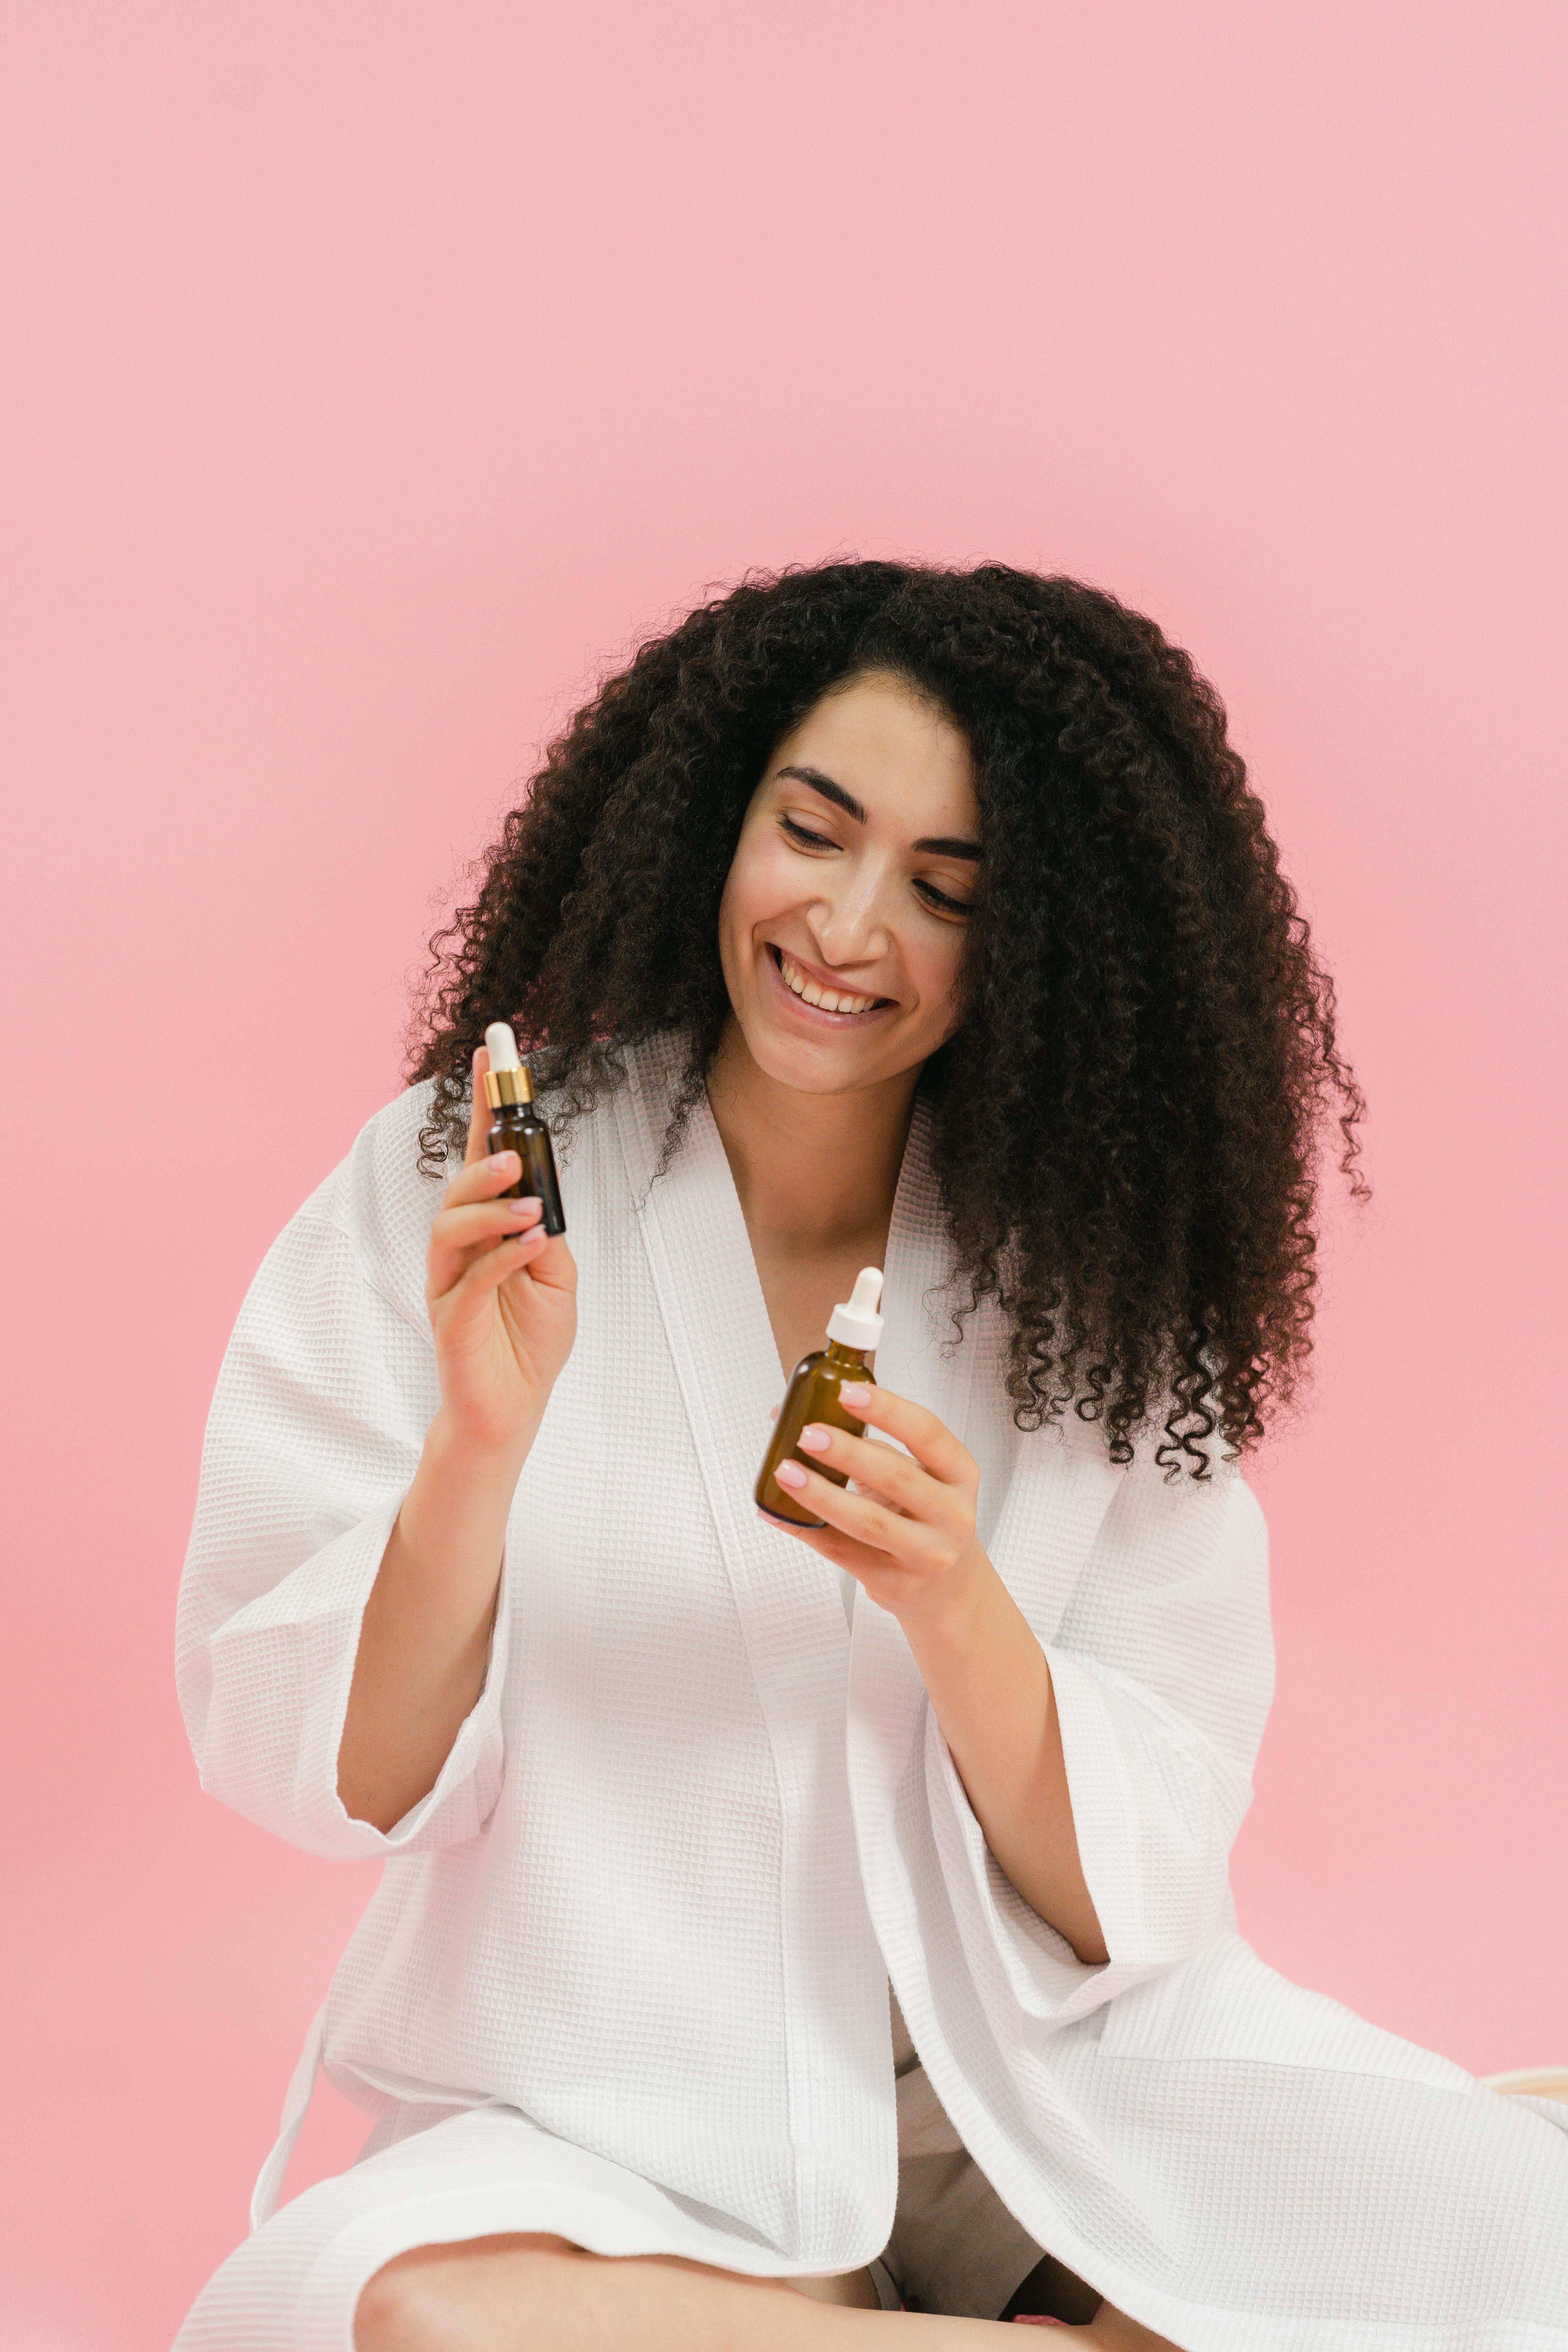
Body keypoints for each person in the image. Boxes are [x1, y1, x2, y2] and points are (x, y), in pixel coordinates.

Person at [172, 561, 1568, 2351]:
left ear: (1041, 954)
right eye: (811, 833)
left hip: (1036, 2098)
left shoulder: (1087, 1293)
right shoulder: (467, 1186)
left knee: (1526, 2237)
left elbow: (1125, 1892)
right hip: (610, 2113)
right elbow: (332, 1772)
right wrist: (481, 1447)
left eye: (943, 893)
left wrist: (951, 1597)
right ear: (713, 819)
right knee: (400, 2315)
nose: (846, 929)